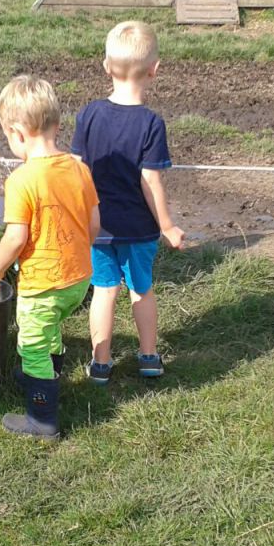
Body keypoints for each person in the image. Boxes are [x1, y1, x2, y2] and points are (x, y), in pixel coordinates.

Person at [0, 77, 99, 441]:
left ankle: (42, 418)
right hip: (79, 279)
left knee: (31, 342)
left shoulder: (21, 180)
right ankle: (51, 373)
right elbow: (94, 223)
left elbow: (16, 237)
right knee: (52, 328)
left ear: (17, 132)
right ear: (56, 124)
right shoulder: (80, 169)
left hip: (41, 285)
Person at [71, 21, 184, 385]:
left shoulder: (88, 115)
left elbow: (78, 169)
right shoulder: (151, 123)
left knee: (104, 291)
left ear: (105, 66)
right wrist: (166, 226)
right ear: (155, 70)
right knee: (141, 289)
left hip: (97, 226)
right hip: (139, 229)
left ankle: (100, 363)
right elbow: (150, 180)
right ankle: (148, 357)